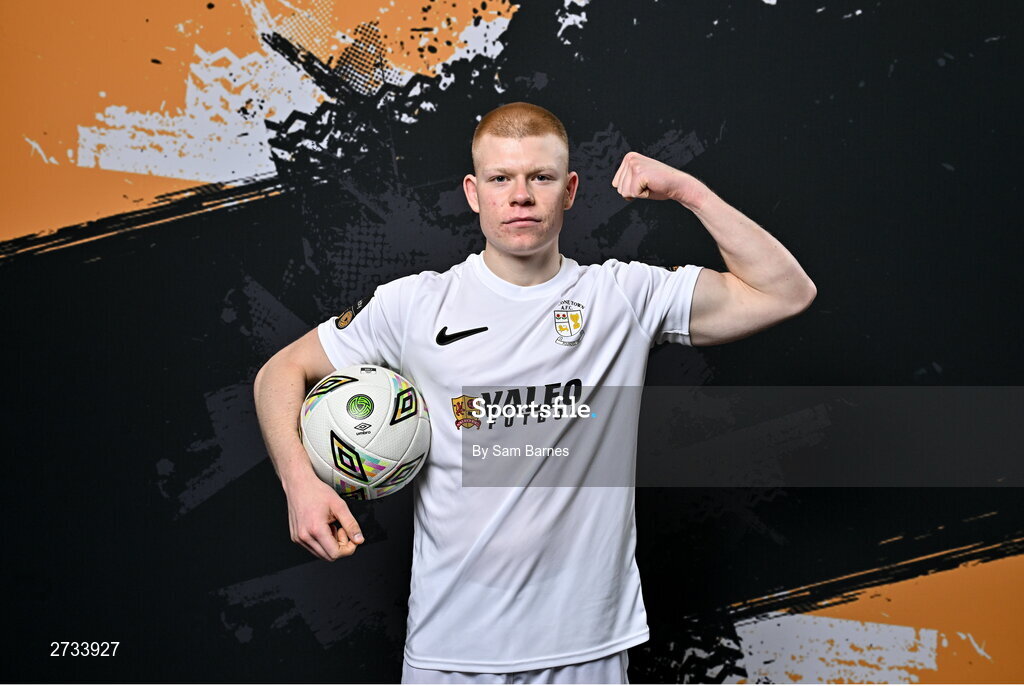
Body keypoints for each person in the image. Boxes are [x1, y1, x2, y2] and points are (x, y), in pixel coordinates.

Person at [254, 102, 816, 683]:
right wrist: (300, 485)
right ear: (473, 192)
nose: (520, 196)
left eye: (540, 178)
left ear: (569, 189)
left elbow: (783, 293)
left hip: (586, 652)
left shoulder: (620, 296)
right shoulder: (414, 306)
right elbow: (279, 373)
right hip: (451, 652)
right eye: (501, 179)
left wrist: (689, 193)